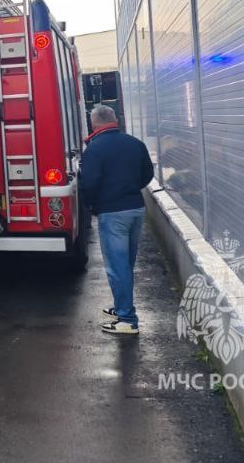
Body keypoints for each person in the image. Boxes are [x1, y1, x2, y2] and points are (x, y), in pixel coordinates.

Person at [79, 105, 154, 335]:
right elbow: (148, 174)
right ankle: (121, 306)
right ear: (115, 120)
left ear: (94, 124)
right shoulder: (135, 143)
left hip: (112, 213)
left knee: (117, 266)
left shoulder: (94, 149)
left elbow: (89, 184)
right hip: (135, 209)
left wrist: (92, 205)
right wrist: (129, 189)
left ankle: (127, 320)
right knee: (126, 263)